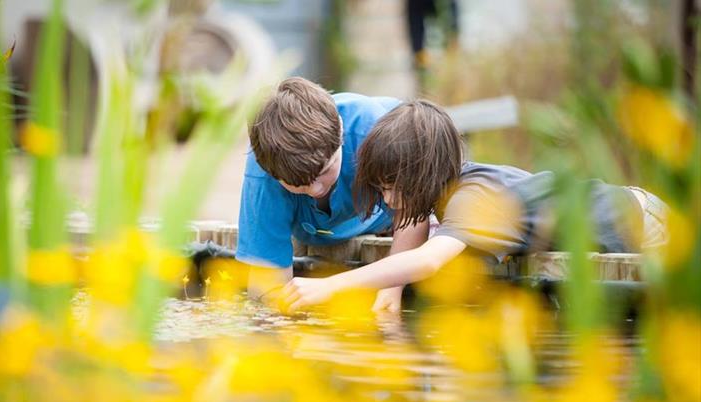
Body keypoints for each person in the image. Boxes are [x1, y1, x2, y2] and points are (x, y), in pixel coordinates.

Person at [282, 100, 667, 311]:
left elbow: (429, 260)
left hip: (645, 223)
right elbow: (413, 223)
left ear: (421, 174)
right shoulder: (450, 187)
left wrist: (332, 287)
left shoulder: (470, 199)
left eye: (391, 187)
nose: (387, 200)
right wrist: (390, 291)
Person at [237, 78, 429, 311]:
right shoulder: (263, 173)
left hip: (387, 212)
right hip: (316, 229)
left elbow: (414, 211)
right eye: (298, 186)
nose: (317, 190)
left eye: (325, 170)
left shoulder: (374, 128)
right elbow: (266, 288)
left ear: (340, 129)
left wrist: (392, 288)